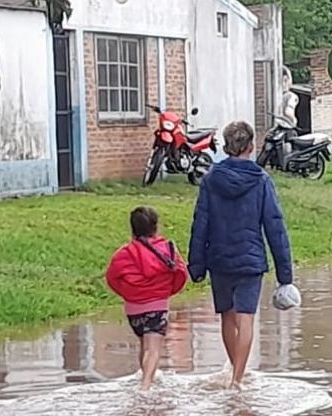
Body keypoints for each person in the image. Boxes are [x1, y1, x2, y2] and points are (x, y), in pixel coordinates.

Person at [188, 121, 294, 388]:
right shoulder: (261, 181)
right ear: (251, 146)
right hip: (250, 261)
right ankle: (237, 379)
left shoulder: (211, 179)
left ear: (226, 146)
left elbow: (201, 222)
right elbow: (275, 226)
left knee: (227, 315)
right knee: (246, 318)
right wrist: (285, 275)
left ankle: (235, 371)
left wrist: (196, 265)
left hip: (220, 260)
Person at [106, 207, 188, 388]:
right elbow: (181, 274)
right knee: (153, 348)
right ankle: (146, 385)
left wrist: (128, 293)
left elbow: (111, 277)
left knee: (144, 343)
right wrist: (167, 291)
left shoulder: (123, 254)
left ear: (132, 229)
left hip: (133, 309)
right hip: (157, 306)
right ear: (156, 227)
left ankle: (144, 376)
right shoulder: (168, 251)